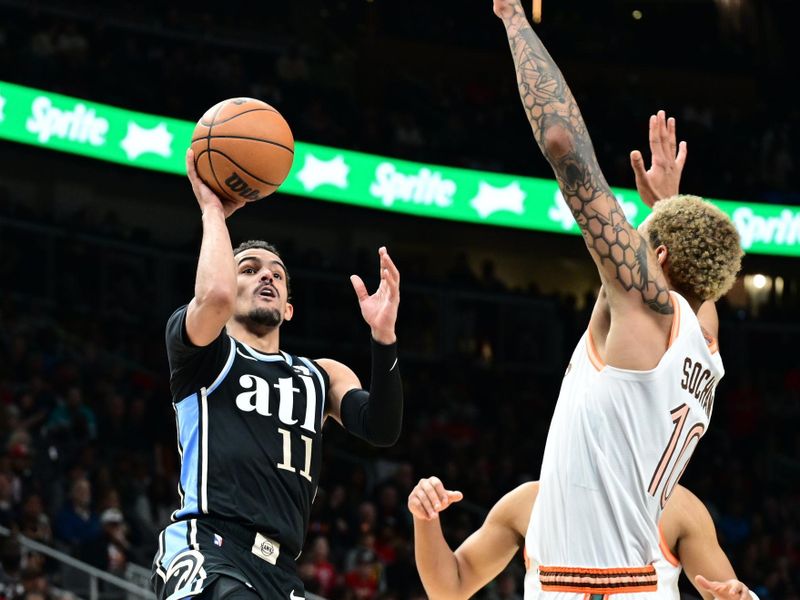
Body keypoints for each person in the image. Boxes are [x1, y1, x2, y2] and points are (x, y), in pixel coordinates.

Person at [492, 0, 743, 594]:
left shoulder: (648, 306)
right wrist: (665, 208)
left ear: (653, 262)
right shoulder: (706, 342)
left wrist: (512, 17)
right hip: (640, 580)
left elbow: (560, 140)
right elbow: (696, 278)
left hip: (590, 582)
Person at [151, 150, 404, 600]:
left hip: (281, 570)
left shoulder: (322, 376)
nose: (266, 276)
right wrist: (213, 210)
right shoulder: (202, 353)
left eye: (277, 275)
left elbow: (382, 429)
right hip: (209, 547)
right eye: (249, 270)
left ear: (288, 308)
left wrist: (383, 337)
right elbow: (213, 297)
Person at [409, 476, 756, 600]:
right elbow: (448, 589)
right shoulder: (529, 503)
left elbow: (725, 593)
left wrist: (739, 597)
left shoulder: (677, 507)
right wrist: (425, 519)